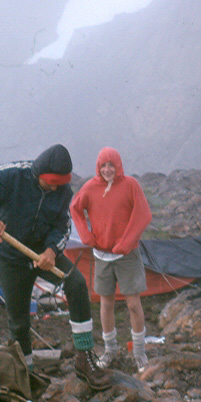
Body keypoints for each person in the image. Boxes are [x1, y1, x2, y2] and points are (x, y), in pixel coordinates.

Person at [0, 143, 110, 391]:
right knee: (18, 322)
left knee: (76, 283)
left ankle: (84, 358)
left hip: (42, 253)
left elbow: (62, 226)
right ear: (38, 174)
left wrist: (51, 251)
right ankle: (25, 375)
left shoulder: (62, 191)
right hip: (11, 258)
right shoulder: (14, 175)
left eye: (59, 184)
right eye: (50, 182)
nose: (54, 188)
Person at [70, 147, 152, 373]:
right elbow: (75, 209)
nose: (107, 170)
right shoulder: (90, 188)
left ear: (118, 166)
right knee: (105, 303)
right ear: (98, 167)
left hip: (127, 255)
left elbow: (143, 214)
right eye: (103, 166)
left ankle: (139, 353)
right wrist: (85, 235)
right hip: (101, 255)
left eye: (111, 165)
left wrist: (127, 241)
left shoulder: (130, 185)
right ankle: (110, 350)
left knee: (133, 304)